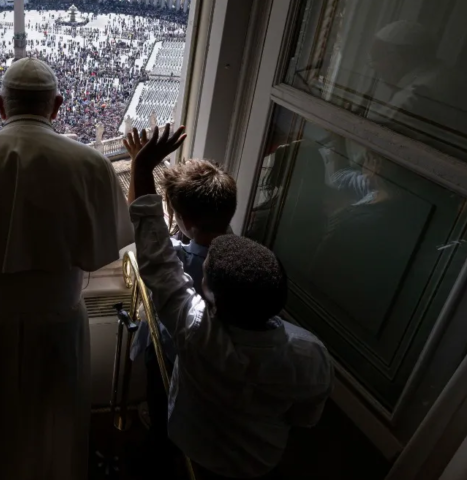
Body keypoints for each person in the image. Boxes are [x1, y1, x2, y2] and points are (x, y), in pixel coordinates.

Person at [0, 57, 134, 480]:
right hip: (54, 321)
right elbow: (105, 247)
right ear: (57, 106)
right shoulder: (91, 165)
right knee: (48, 431)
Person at [125, 124, 334, 479]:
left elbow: (157, 259)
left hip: (195, 447)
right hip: (260, 461)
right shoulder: (311, 353)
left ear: (212, 304)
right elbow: (305, 416)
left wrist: (141, 168)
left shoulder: (196, 332)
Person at [121, 136, 238, 470]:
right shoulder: (242, 258)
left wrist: (140, 166)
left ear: (182, 220)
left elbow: (144, 227)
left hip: (170, 360)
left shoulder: (178, 258)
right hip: (218, 373)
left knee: (162, 418)